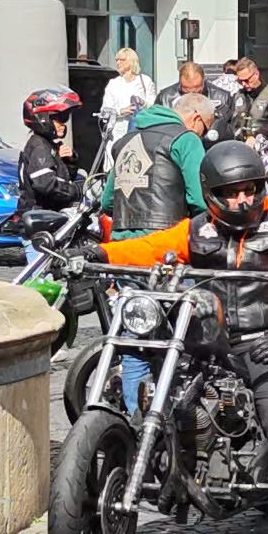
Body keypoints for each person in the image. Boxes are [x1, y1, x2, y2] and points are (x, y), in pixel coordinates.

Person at [76, 141, 268, 534]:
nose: (243, 200)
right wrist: (99, 252)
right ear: (212, 194)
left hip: (267, 341)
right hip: (209, 339)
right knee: (163, 389)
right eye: (232, 193)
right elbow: (149, 247)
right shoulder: (197, 230)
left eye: (250, 189)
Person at [102, 92, 212, 411]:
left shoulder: (126, 141)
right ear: (195, 118)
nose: (203, 134)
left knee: (137, 334)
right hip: (167, 251)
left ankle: (136, 416)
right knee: (190, 331)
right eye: (206, 127)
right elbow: (200, 200)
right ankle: (182, 411)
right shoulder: (185, 140)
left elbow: (107, 202)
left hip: (125, 251)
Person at [17, 87, 84, 213]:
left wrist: (69, 161)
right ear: (42, 118)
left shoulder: (50, 145)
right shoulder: (39, 146)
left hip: (50, 214)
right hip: (39, 215)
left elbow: (64, 178)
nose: (63, 124)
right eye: (59, 118)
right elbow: (46, 184)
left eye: (65, 117)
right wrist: (78, 191)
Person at [158, 61, 236, 143]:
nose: (192, 93)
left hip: (211, 145)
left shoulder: (223, 98)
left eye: (197, 89)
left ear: (203, 80)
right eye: (186, 90)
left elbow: (231, 130)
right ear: (180, 83)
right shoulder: (165, 98)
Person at [101, 48, 157, 143]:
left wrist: (142, 103)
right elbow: (104, 111)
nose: (118, 63)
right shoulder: (113, 83)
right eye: (117, 60)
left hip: (140, 131)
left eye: (122, 60)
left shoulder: (145, 81)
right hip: (117, 134)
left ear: (131, 61)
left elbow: (154, 106)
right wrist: (121, 111)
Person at [231, 57, 268, 149]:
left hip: (264, 147)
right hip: (239, 146)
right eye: (240, 81)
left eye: (246, 80)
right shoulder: (238, 95)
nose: (244, 84)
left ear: (256, 74)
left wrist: (257, 135)